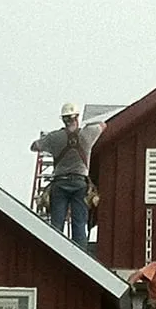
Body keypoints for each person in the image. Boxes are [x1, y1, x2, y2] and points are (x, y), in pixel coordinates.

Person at [30, 102, 105, 251]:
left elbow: (34, 146)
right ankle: (80, 257)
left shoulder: (54, 138)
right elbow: (103, 125)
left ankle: (54, 253)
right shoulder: (87, 134)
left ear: (63, 119)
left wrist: (50, 141)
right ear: (76, 117)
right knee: (79, 224)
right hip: (80, 184)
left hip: (59, 184)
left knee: (56, 224)